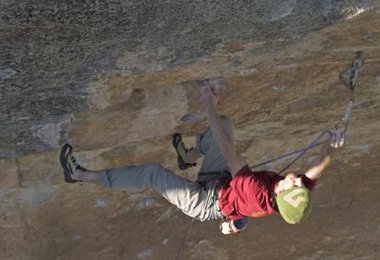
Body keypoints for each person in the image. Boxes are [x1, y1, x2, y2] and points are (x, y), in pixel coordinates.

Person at [60, 80, 344, 234]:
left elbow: (227, 148)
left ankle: (81, 175)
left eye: (291, 185)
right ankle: (188, 157)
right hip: (219, 183)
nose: (295, 180)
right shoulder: (294, 197)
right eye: (299, 185)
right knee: (227, 125)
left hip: (204, 203)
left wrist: (207, 102)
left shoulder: (254, 191)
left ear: (281, 196)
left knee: (152, 173)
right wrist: (332, 144)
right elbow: (316, 169)